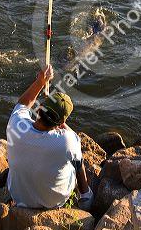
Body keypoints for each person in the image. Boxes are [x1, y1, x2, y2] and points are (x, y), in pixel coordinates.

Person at [6, 65, 93, 210]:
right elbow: (72, 137)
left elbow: (23, 103)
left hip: (19, 197)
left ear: (39, 110)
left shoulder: (16, 125)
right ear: (61, 123)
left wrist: (40, 82)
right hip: (53, 202)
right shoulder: (67, 141)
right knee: (76, 161)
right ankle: (85, 195)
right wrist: (62, 124)